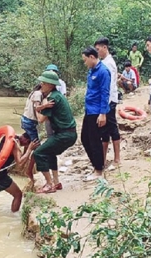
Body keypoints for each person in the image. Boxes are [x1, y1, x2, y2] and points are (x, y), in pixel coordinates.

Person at [33, 71, 77, 193]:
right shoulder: (56, 95)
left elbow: (41, 119)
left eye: (44, 83)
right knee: (50, 152)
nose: (41, 85)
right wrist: (42, 107)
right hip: (68, 134)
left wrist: (37, 108)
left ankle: (49, 184)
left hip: (64, 134)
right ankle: (56, 182)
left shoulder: (52, 98)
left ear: (51, 85)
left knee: (38, 153)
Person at [0, 133, 39, 212]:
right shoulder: (15, 143)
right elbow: (20, 164)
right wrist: (30, 149)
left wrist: (27, 148)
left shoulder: (11, 137)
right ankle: (13, 218)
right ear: (27, 141)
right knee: (18, 195)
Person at [80, 47, 111, 182]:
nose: (85, 63)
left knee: (94, 141)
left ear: (92, 57)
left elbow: (105, 93)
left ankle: (98, 170)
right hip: (89, 110)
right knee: (85, 138)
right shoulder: (91, 71)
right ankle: (97, 165)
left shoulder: (103, 72)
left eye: (85, 60)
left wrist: (103, 113)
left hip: (97, 112)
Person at [95, 37, 122, 172]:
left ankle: (117, 159)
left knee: (112, 128)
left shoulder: (109, 63)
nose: (97, 52)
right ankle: (103, 158)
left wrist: (105, 104)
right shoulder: (103, 62)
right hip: (105, 100)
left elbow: (109, 85)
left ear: (104, 47)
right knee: (104, 130)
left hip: (109, 100)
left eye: (98, 49)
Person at [20, 83, 42, 180]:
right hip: (30, 122)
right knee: (37, 147)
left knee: (29, 142)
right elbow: (37, 108)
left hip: (25, 119)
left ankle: (24, 163)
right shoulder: (38, 94)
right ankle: (29, 169)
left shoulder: (33, 92)